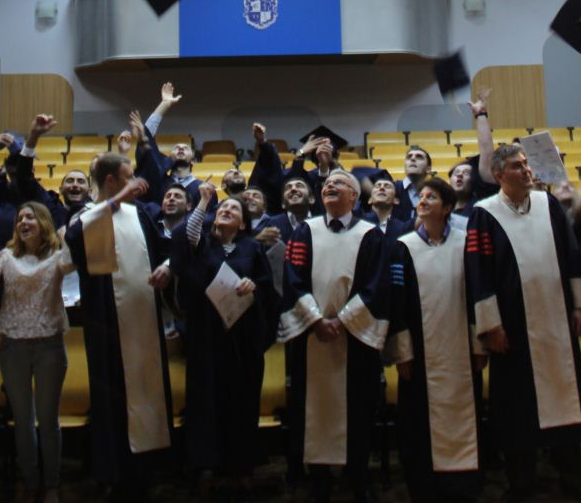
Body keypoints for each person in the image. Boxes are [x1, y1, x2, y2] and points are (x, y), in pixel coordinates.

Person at [466, 93, 581, 501]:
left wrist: (579, 304)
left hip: (556, 323)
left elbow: (570, 256)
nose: (526, 170)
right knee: (516, 408)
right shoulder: (484, 213)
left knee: (566, 398)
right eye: (517, 166)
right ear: (498, 173)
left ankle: (572, 479)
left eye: (526, 164)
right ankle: (521, 483)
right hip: (513, 329)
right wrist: (491, 326)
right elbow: (479, 273)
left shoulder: (548, 205)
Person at [65, 151, 174, 496]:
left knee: (147, 389)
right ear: (111, 181)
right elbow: (74, 241)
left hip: (145, 321)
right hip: (107, 325)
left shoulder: (139, 213)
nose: (135, 183)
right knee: (113, 398)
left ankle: (146, 472)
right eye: (128, 178)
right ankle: (115, 476)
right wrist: (115, 202)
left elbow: (166, 250)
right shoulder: (87, 216)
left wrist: (167, 267)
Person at [279, 168, 387, 503]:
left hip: (355, 338)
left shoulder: (371, 235)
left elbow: (376, 285)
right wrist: (315, 320)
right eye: (327, 183)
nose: (330, 186)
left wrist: (342, 321)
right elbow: (292, 279)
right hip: (312, 337)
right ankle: (319, 479)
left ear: (354, 196)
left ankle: (357, 477)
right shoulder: (304, 231)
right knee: (311, 409)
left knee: (358, 408)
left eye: (339, 183)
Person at [0, 191, 74, 503]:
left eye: (30, 217)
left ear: (43, 223)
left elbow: (72, 263)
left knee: (48, 420)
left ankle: (51, 484)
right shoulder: (6, 256)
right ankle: (30, 480)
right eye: (20, 218)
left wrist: (66, 236)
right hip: (13, 345)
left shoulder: (57, 256)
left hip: (50, 345)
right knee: (23, 421)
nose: (23, 222)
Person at [172, 184, 277, 493]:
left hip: (242, 337)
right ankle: (207, 465)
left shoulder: (252, 248)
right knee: (207, 400)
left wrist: (252, 286)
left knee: (242, 400)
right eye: (223, 208)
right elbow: (188, 235)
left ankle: (240, 466)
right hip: (207, 336)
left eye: (234, 209)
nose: (227, 210)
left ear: (243, 224)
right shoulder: (202, 244)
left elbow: (266, 286)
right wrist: (205, 200)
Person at [384, 176, 483, 500]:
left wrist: (478, 345)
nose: (423, 201)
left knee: (465, 417)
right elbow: (397, 304)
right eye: (422, 196)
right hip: (420, 356)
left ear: (448, 207)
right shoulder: (404, 247)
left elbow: (477, 295)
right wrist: (403, 353)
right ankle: (424, 487)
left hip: (461, 352)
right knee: (417, 423)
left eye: (432, 197)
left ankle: (462, 486)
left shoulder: (466, 244)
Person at [139, 84, 202, 205]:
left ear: (193, 161)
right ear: (169, 157)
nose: (180, 148)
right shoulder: (157, 182)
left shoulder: (202, 188)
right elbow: (147, 137)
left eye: (185, 148)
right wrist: (165, 104)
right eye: (176, 148)